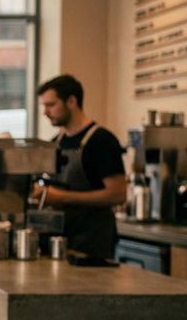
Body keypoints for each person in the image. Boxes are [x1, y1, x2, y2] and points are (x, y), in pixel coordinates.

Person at [33, 74, 126, 259]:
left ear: (71, 101)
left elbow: (118, 194)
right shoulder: (55, 143)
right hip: (60, 241)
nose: (45, 112)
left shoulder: (101, 141)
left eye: (51, 105)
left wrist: (62, 197)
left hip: (92, 244)